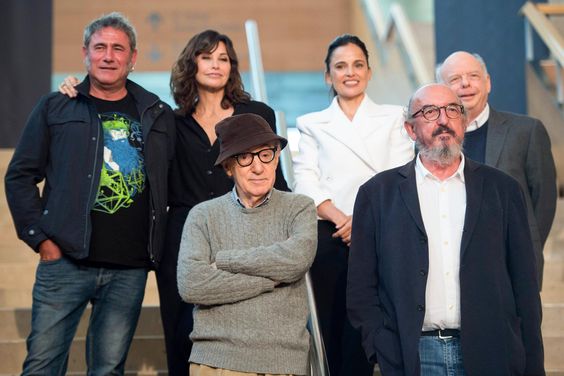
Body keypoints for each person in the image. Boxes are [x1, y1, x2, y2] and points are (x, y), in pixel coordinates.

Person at [58, 29, 290, 375]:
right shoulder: (169, 119)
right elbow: (118, 108)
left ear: (232, 67)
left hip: (246, 232)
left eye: (223, 58)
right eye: (206, 57)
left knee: (246, 331)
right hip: (184, 239)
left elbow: (277, 179)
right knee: (183, 333)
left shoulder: (256, 113)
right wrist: (79, 91)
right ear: (191, 64)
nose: (215, 65)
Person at [4, 12, 175, 375]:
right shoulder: (57, 105)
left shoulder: (157, 114)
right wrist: (40, 240)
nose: (108, 56)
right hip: (64, 261)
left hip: (129, 267)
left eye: (118, 48)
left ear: (133, 58)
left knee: (109, 369)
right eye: (100, 47)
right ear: (85, 54)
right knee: (42, 366)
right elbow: (20, 175)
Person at [347, 83, 544, 375]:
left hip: (492, 351)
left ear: (463, 122)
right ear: (411, 129)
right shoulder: (377, 194)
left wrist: (532, 361)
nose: (443, 120)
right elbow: (361, 287)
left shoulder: (503, 190)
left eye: (452, 110)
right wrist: (380, 346)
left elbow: (525, 284)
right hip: (414, 354)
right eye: (429, 112)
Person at [292, 34, 414, 376]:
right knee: (332, 328)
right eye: (340, 66)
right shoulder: (311, 123)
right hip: (331, 235)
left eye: (358, 65)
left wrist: (361, 222)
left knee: (369, 328)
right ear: (328, 76)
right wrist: (341, 219)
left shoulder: (394, 117)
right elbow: (307, 182)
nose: (350, 72)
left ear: (369, 72)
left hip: (382, 234)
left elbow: (398, 174)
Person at [177, 113, 317, 376]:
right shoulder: (202, 215)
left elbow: (296, 261)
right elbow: (192, 284)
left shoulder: (300, 207)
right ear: (229, 167)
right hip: (215, 363)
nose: (258, 167)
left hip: (282, 363)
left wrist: (225, 261)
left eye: (266, 154)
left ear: (276, 159)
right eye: (245, 157)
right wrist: (271, 280)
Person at [436, 51, 557, 288]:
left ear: (488, 82)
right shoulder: (432, 140)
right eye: (455, 79)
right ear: (442, 90)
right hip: (448, 272)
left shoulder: (526, 131)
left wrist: (523, 247)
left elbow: (544, 202)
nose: (465, 84)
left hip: (512, 268)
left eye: (473, 76)